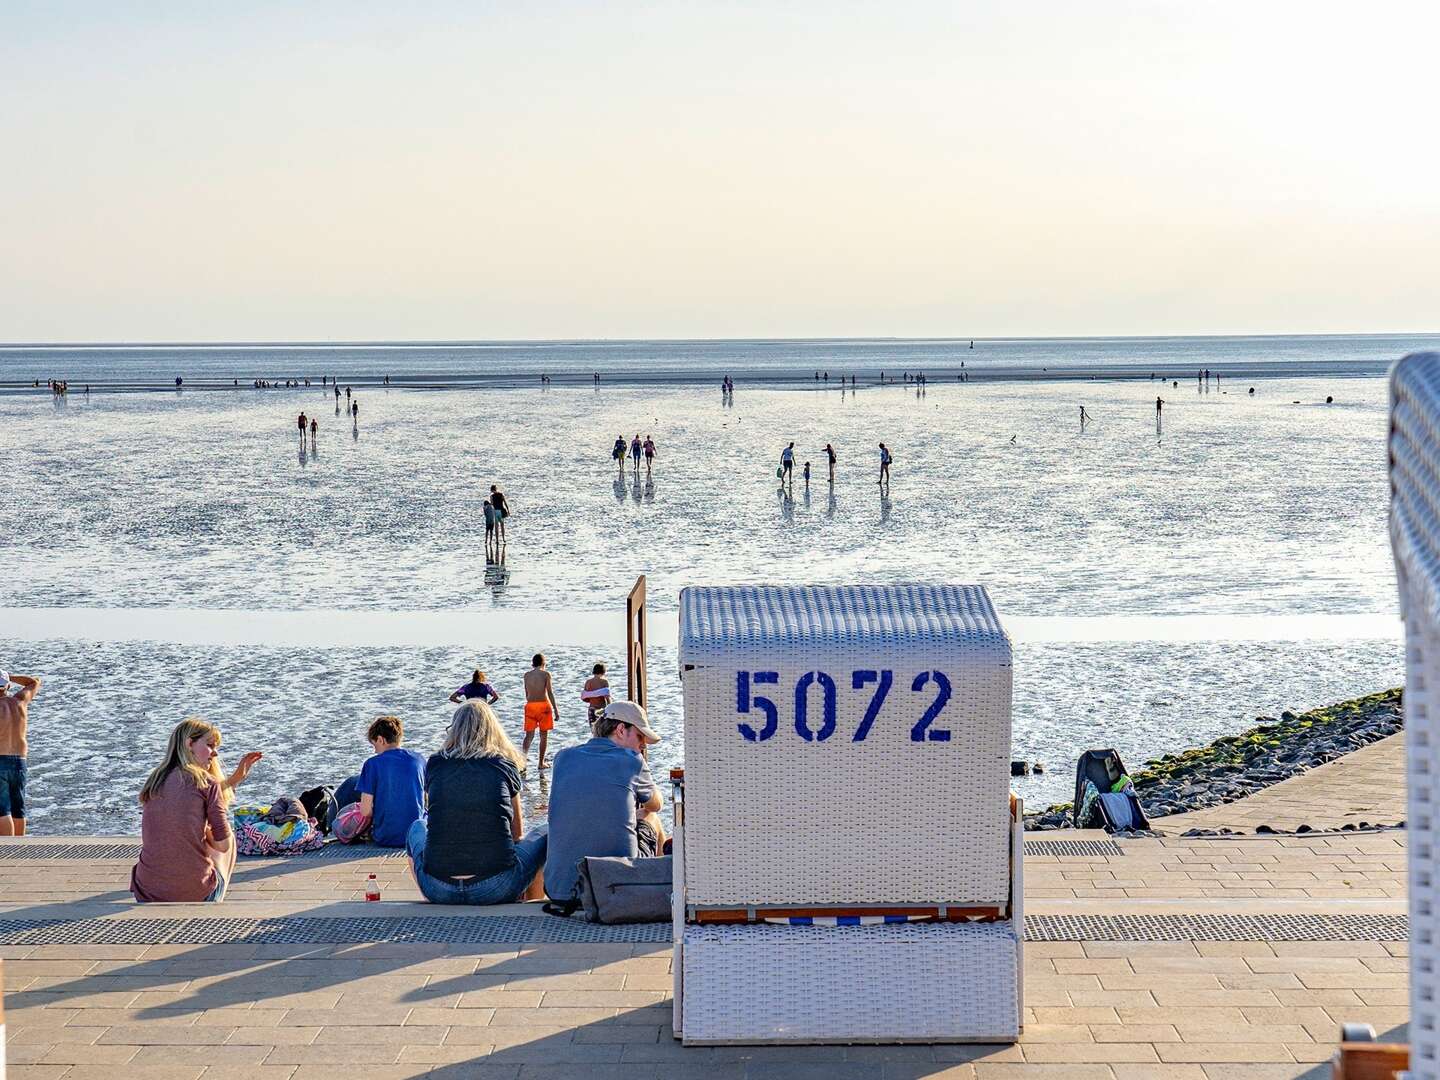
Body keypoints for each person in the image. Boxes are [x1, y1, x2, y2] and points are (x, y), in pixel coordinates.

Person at [405, 700, 548, 905]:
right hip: (496, 886)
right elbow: (517, 834)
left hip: (438, 888)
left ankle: (431, 898)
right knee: (545, 833)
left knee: (417, 827)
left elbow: (436, 816)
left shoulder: (436, 764)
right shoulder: (503, 766)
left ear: (453, 731)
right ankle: (525, 906)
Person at [544, 701, 665, 906]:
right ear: (620, 730)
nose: (643, 744)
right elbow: (656, 804)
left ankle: (538, 898)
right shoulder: (633, 760)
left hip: (562, 894)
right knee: (652, 818)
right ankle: (660, 896)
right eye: (640, 736)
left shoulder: (562, 757)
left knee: (550, 830)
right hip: (618, 892)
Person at [130, 718, 262, 902]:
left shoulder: (154, 782)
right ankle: (215, 901)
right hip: (196, 894)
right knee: (228, 838)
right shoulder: (208, 783)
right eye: (210, 745)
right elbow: (222, 845)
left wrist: (234, 780)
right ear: (189, 743)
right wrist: (207, 833)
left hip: (147, 893)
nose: (215, 753)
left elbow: (183, 805)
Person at [341, 715, 426, 848]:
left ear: (381, 740)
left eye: (374, 745)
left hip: (385, 837)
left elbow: (365, 811)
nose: (375, 750)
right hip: (416, 837)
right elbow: (427, 798)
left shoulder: (372, 764)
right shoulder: (419, 760)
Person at [0, 671, 41, 836]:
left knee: (2, 810)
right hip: (19, 761)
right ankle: (19, 848)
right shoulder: (20, 701)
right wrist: (9, 676)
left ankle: (6, 850)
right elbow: (34, 682)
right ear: (7, 686)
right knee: (18, 808)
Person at [522, 654, 559, 770]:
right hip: (543, 706)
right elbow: (550, 693)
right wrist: (556, 710)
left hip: (530, 706)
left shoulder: (526, 675)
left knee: (529, 736)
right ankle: (541, 763)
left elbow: (526, 693)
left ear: (533, 663)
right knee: (543, 736)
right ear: (543, 663)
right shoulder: (546, 674)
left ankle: (522, 761)